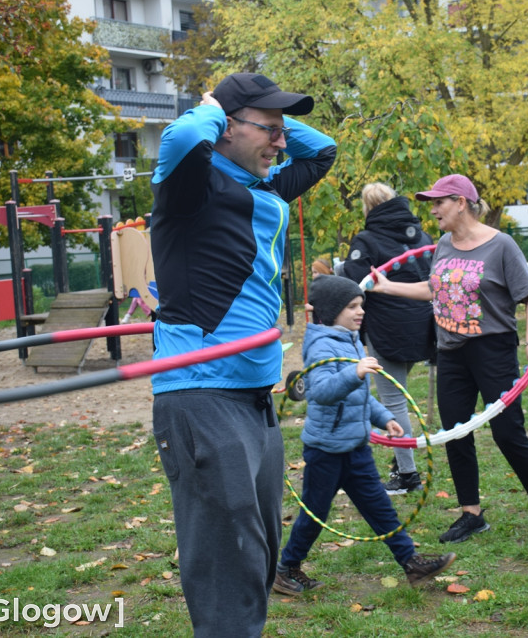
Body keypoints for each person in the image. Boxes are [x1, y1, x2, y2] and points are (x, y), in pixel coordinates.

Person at [148, 72, 336, 637]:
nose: (282, 143)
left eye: (283, 131)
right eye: (270, 130)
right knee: (228, 560)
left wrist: (263, 121)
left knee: (257, 552)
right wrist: (213, 107)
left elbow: (323, 151)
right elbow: (181, 140)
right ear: (225, 129)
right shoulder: (191, 185)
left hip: (256, 397)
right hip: (200, 390)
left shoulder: (267, 187)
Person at [369, 174, 528, 543]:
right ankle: (470, 514)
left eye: (438, 203)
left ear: (461, 202)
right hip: (450, 354)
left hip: (491, 350)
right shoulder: (444, 243)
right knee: (455, 434)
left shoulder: (502, 246)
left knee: (508, 433)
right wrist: (387, 286)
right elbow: (434, 288)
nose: (432, 211)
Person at [273, 275, 455, 594]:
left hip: (356, 446)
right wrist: (353, 372)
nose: (361, 312)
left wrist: (384, 418)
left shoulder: (352, 339)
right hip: (326, 450)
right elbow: (322, 392)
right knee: (315, 515)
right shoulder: (320, 346)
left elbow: (360, 396)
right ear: (331, 311)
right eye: (353, 307)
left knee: (379, 507)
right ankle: (287, 567)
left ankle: (411, 563)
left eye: (361, 306)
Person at [339, 182, 435, 495]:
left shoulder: (367, 239)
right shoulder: (421, 236)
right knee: (400, 394)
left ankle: (407, 475)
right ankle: (402, 461)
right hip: (421, 326)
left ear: (368, 209)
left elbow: (356, 285)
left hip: (388, 330)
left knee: (394, 401)